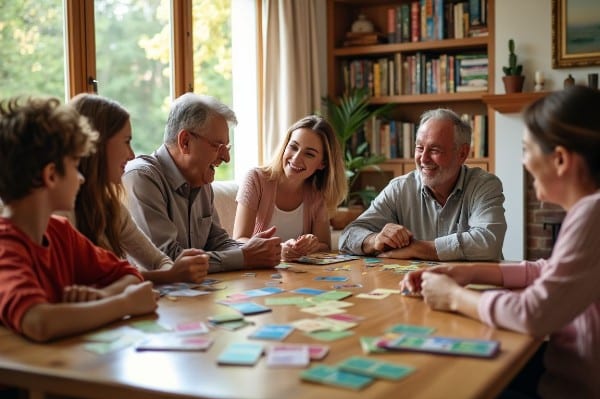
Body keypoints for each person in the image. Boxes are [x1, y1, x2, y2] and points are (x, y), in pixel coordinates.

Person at [402, 86, 600, 399]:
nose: (523, 161)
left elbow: (534, 313)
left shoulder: (592, 212)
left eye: (526, 149)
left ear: (560, 159)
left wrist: (454, 297)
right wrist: (468, 273)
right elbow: (550, 270)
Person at [0, 96, 157, 342]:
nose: (82, 178)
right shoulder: (5, 247)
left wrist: (102, 298)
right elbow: (39, 322)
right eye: (75, 165)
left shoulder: (60, 232)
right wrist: (123, 304)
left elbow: (129, 274)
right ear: (51, 175)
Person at [122, 93, 281, 272]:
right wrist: (245, 256)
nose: (226, 158)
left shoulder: (200, 178)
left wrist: (256, 250)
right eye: (217, 146)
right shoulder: (141, 177)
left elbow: (217, 241)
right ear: (185, 142)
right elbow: (167, 260)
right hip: (155, 295)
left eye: (226, 148)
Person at [68, 93, 209, 284]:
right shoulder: (62, 214)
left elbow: (160, 260)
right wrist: (169, 275)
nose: (132, 155)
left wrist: (171, 273)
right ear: (96, 144)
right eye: (126, 141)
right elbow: (94, 281)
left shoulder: (111, 209)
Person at [339, 108, 506, 261]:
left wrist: (418, 249)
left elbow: (488, 243)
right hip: (416, 285)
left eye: (434, 150)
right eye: (419, 148)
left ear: (462, 154)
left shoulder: (484, 185)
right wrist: (374, 240)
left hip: (475, 287)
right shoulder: (399, 188)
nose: (423, 159)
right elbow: (348, 236)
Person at [233, 115, 347, 261]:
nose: (296, 158)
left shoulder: (317, 194)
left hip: (297, 278)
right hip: (259, 274)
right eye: (293, 147)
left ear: (322, 164)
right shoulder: (255, 179)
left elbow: (325, 247)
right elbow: (238, 241)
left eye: (309, 154)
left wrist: (313, 245)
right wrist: (279, 250)